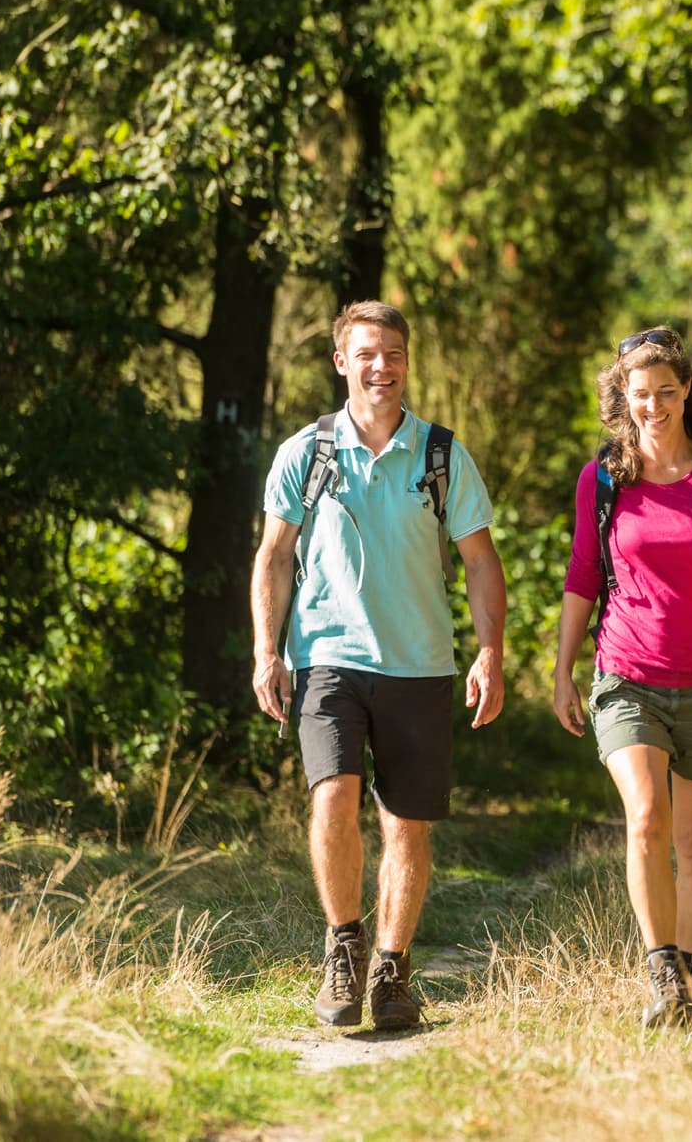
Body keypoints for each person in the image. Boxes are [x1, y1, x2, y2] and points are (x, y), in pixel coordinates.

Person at [250, 300, 507, 1032]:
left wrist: (490, 652)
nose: (381, 366)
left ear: (406, 362)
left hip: (419, 665)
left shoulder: (441, 455)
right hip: (326, 657)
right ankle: (344, 946)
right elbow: (272, 558)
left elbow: (482, 563)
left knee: (407, 828)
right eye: (366, 353)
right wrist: (267, 650)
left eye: (392, 353)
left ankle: (392, 969)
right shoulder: (307, 452)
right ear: (342, 361)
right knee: (332, 798)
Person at [551, 327, 692, 1028]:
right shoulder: (604, 478)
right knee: (646, 816)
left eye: (665, 393)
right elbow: (583, 576)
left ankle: (691, 966)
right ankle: (662, 971)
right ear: (623, 396)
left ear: (687, 392)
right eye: (638, 394)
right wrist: (563, 669)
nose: (652, 406)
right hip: (627, 675)